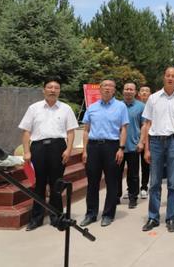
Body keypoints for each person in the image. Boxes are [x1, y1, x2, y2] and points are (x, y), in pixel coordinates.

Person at [19, 77, 79, 231]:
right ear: (44, 89)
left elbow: (71, 132)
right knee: (38, 184)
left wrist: (68, 149)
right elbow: (26, 131)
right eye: (50, 87)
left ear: (59, 91)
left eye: (56, 88)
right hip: (38, 148)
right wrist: (26, 151)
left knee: (56, 184)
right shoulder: (34, 108)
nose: (53, 90)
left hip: (58, 147)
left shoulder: (66, 108)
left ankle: (57, 217)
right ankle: (36, 219)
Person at [141, 67, 174, 233]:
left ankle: (171, 217)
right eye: (168, 75)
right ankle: (153, 217)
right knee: (154, 183)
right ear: (164, 78)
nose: (170, 78)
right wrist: (146, 148)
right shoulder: (153, 98)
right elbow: (147, 124)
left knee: (173, 183)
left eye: (173, 76)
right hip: (156, 142)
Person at [80, 79, 129, 228]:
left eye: (110, 86)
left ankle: (108, 214)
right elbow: (86, 130)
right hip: (93, 147)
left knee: (112, 182)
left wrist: (121, 148)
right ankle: (91, 214)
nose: (107, 88)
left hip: (112, 146)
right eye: (104, 86)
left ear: (114, 90)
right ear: (100, 89)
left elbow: (124, 129)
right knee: (92, 182)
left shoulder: (120, 106)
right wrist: (84, 150)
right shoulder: (92, 107)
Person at [117, 82, 145, 209]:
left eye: (131, 89)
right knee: (116, 173)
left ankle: (133, 197)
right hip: (117, 147)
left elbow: (144, 126)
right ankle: (116, 196)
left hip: (134, 145)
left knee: (133, 174)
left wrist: (141, 142)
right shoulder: (117, 106)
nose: (128, 91)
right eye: (126, 89)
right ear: (123, 91)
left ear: (135, 92)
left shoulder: (141, 106)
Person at [137, 85, 152, 199]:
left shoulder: (152, 106)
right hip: (134, 140)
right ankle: (131, 188)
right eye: (142, 91)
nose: (144, 93)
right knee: (133, 166)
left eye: (147, 91)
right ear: (138, 94)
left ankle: (144, 187)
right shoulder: (135, 106)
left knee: (145, 165)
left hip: (148, 140)